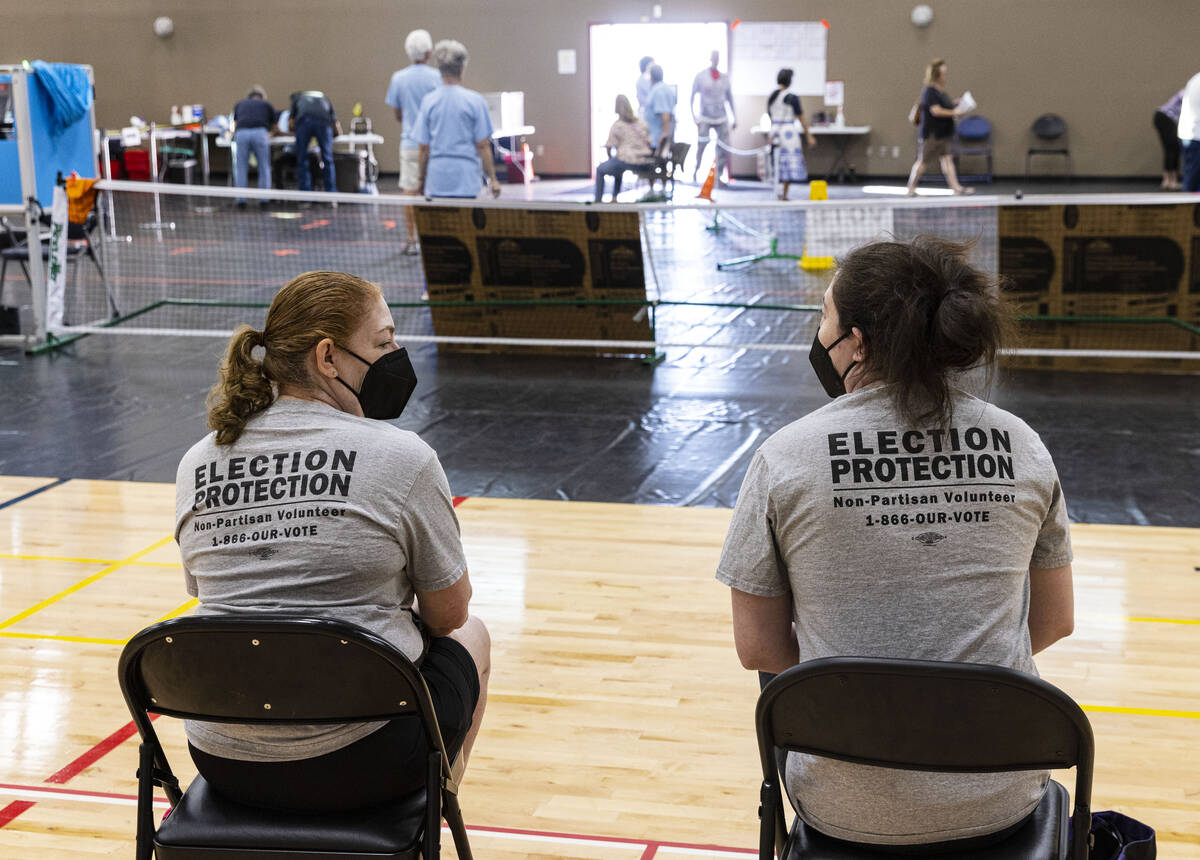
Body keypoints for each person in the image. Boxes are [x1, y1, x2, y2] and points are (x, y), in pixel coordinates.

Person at [716, 236, 1074, 853]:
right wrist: (944, 686)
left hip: (841, 804)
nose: (819, 333)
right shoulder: (1023, 445)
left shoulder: (784, 458)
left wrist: (878, 703)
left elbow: (758, 650)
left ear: (856, 341)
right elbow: (1054, 621)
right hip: (1000, 796)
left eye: (824, 317)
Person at [175, 270, 491, 813]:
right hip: (362, 761)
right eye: (384, 341)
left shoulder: (198, 460)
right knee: (475, 634)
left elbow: (202, 588)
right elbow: (448, 615)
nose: (397, 354)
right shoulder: (403, 457)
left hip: (223, 759)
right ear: (328, 357)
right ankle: (431, 808)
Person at [414, 40, 500, 199]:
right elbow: (482, 145)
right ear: (462, 68)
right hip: (467, 182)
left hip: (437, 181)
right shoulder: (475, 101)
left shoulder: (428, 101)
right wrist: (493, 179)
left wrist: (421, 179)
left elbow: (423, 148)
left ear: (439, 69)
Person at [385, 29, 442, 253]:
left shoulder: (398, 78)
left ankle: (412, 239)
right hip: (435, 147)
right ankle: (435, 238)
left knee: (409, 193)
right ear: (429, 52)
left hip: (409, 143)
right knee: (434, 194)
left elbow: (398, 114)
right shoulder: (438, 78)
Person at [905, 59, 972, 196]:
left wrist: (955, 103)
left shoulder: (941, 92)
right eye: (943, 73)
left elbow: (944, 106)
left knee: (947, 160)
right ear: (936, 75)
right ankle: (911, 188)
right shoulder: (929, 91)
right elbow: (936, 110)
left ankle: (956, 188)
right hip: (932, 135)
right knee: (922, 162)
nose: (945, 76)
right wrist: (955, 112)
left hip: (944, 133)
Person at [767, 68, 816, 201]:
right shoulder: (791, 97)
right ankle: (784, 194)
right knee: (787, 164)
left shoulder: (772, 96)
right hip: (788, 132)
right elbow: (800, 117)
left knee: (776, 162)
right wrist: (809, 135)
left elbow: (770, 114)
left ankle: (778, 192)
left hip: (774, 131)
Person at [595, 94, 653, 202]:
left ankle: (598, 201)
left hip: (626, 160)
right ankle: (614, 198)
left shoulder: (618, 125)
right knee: (616, 163)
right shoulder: (641, 123)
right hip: (645, 161)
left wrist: (610, 157)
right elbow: (650, 141)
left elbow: (609, 146)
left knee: (601, 169)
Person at [691, 50, 736, 184]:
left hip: (721, 117)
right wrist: (694, 117)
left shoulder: (725, 78)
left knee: (723, 148)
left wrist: (735, 117)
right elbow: (692, 97)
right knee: (701, 145)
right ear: (710, 58)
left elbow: (730, 99)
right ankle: (696, 171)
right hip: (705, 116)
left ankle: (718, 176)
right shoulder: (701, 77)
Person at [231, 85, 277, 208]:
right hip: (260, 133)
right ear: (262, 97)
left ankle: (241, 200)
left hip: (241, 133)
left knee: (240, 167)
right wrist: (272, 134)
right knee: (264, 166)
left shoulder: (240, 103)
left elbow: (235, 124)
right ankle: (264, 200)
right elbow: (276, 127)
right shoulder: (266, 105)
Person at [289, 90, 343, 193]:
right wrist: (334, 136)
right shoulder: (325, 99)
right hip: (324, 123)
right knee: (327, 159)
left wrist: (296, 133)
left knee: (302, 159)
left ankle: (305, 195)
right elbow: (335, 124)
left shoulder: (298, 100)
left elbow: (291, 123)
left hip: (304, 122)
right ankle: (331, 194)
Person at [1154, 88, 1184, 190]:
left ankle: (1168, 180)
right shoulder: (1189, 92)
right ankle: (1171, 181)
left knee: (1171, 149)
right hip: (1165, 117)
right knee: (1172, 149)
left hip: (1162, 117)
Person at [644, 63, 676, 160]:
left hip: (657, 140)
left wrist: (664, 135)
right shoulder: (663, 88)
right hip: (656, 138)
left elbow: (665, 114)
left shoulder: (659, 90)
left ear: (651, 76)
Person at [1177, 72, 1200, 193]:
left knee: (1193, 180)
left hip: (1190, 134)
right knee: (1193, 182)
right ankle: (1188, 210)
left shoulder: (1195, 79)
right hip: (1195, 136)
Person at [635, 56, 655, 120]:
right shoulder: (643, 80)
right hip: (645, 112)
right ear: (646, 65)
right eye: (652, 64)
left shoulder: (650, 78)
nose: (654, 66)